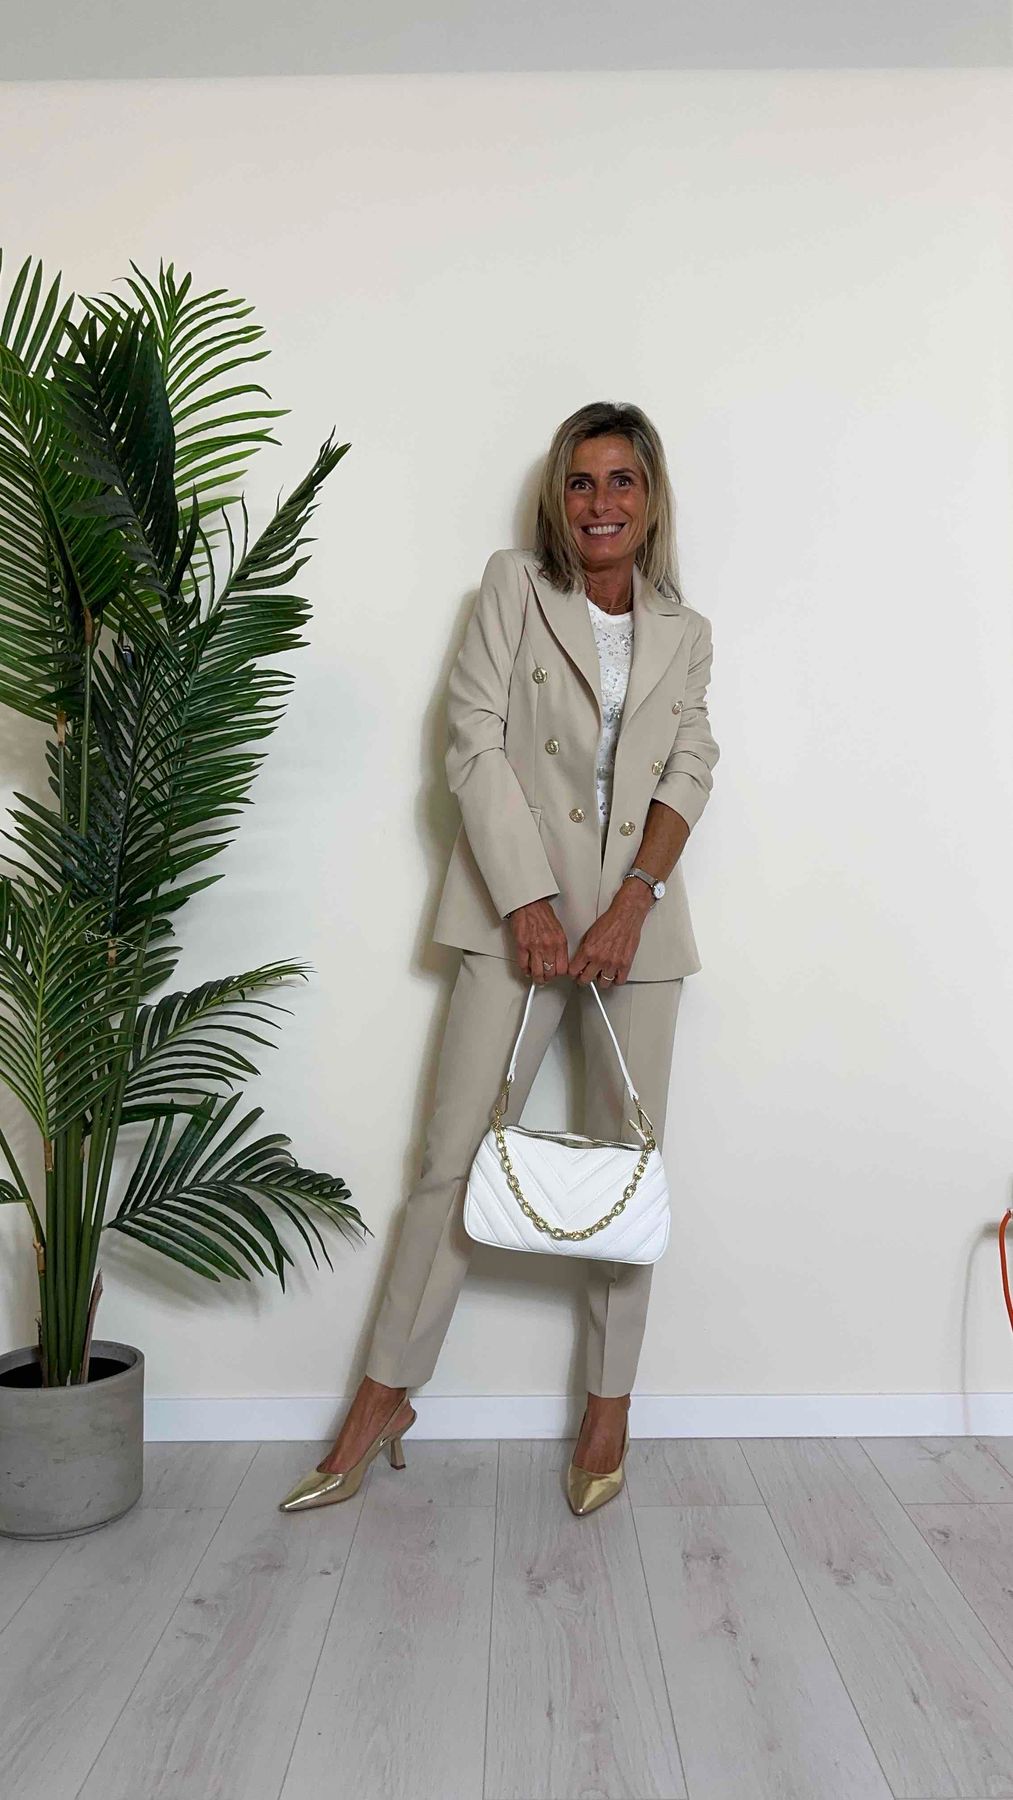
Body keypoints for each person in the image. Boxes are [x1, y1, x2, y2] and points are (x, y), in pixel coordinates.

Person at [279, 400, 720, 1517]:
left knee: (628, 1169)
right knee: (450, 1159)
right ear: (555, 499)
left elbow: (689, 765)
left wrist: (631, 903)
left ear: (651, 499)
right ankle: (383, 1397)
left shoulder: (685, 630)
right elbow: (470, 740)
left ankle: (608, 1408)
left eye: (621, 481)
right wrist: (528, 897)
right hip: (509, 911)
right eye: (580, 482)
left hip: (634, 925)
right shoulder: (512, 588)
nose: (600, 502)